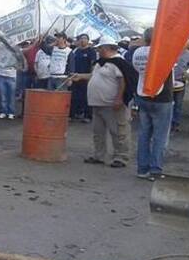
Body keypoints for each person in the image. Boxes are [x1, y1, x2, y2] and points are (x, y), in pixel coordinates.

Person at [71, 36, 137, 168]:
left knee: (118, 131)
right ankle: (99, 155)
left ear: (106, 48)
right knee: (98, 132)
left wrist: (119, 98)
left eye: (100, 48)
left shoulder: (119, 63)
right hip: (97, 103)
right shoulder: (100, 63)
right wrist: (81, 76)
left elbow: (122, 81)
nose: (98, 50)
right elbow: (95, 76)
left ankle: (121, 156)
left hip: (111, 103)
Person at [132, 28, 173, 180]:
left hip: (143, 93)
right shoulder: (163, 52)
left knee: (144, 134)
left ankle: (142, 169)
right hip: (162, 97)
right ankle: (155, 169)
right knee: (159, 136)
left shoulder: (137, 52)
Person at [0, 37, 25, 119]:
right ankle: (3, 111)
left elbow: (20, 56)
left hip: (11, 74)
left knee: (11, 94)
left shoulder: (14, 47)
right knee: (2, 94)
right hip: (1, 73)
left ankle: (11, 112)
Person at [69, 34, 97, 121]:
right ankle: (73, 114)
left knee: (86, 97)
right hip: (75, 76)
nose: (82, 40)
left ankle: (87, 116)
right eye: (81, 39)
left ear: (88, 40)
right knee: (74, 96)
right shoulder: (76, 51)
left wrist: (91, 75)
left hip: (86, 77)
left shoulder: (91, 51)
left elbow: (93, 64)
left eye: (85, 39)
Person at [171, 45, 189, 132]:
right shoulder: (170, 50)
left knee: (178, 103)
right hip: (168, 81)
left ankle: (175, 123)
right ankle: (168, 122)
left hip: (181, 80)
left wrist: (187, 72)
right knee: (169, 102)